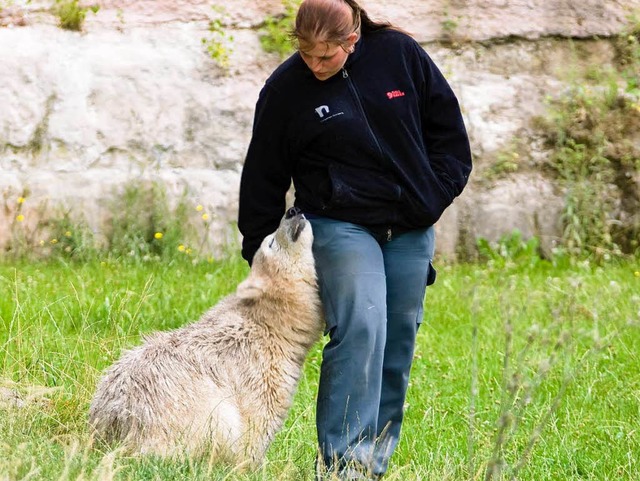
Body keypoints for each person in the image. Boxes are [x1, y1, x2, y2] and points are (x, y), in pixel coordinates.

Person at [238, 0, 472, 479]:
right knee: (362, 326)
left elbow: (450, 138)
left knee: (397, 337)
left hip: (409, 225)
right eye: (306, 55)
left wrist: (432, 195)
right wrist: (259, 256)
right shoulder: (286, 90)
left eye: (326, 56)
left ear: (353, 39)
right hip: (338, 222)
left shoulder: (400, 55)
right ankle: (345, 465)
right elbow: (262, 176)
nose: (315, 66)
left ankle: (375, 464)